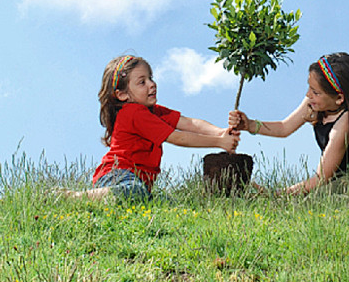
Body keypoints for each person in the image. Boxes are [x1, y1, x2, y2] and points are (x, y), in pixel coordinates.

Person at [230, 52, 349, 196]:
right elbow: (284, 127)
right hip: (336, 176)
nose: (308, 94)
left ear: (339, 98)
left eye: (315, 92)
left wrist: (277, 195)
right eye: (309, 87)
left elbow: (321, 178)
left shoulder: (344, 123)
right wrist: (249, 125)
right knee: (313, 196)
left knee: (314, 202)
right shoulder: (314, 102)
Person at [90, 54, 240, 201]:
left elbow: (189, 123)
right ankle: (81, 197)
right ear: (122, 95)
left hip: (138, 182)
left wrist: (221, 132)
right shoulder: (133, 113)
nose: (151, 84)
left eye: (151, 78)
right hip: (117, 176)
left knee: (167, 202)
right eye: (142, 82)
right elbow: (178, 137)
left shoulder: (153, 111)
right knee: (135, 192)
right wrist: (219, 142)